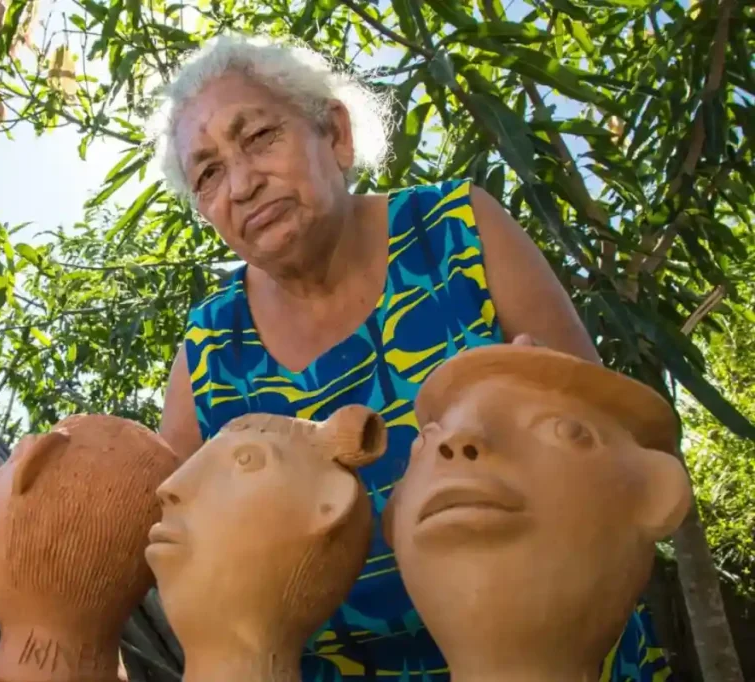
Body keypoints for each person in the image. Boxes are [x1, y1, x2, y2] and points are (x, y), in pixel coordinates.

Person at [150, 32, 673, 682]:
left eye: (259, 138)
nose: (244, 183)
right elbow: (159, 518)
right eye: (208, 173)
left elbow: (608, 446)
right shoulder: (209, 347)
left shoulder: (455, 231)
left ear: (335, 134)